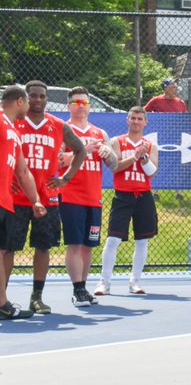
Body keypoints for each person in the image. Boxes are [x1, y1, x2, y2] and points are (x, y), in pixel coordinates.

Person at [4, 80, 85, 314]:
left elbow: (79, 150)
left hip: (47, 197)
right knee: (8, 248)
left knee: (43, 247)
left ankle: (36, 298)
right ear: (26, 99)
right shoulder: (13, 123)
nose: (38, 100)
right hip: (16, 198)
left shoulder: (58, 125)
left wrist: (65, 178)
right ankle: (3, 298)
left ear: (47, 99)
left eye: (42, 96)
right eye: (33, 96)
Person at [52, 86, 115, 307]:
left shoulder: (100, 133)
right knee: (75, 245)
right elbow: (57, 161)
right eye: (77, 102)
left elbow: (114, 165)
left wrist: (109, 153)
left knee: (88, 246)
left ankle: (83, 287)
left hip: (93, 197)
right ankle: (77, 289)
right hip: (70, 195)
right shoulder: (63, 129)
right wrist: (83, 150)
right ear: (69, 106)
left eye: (85, 102)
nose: (81, 106)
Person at [95, 106, 159, 296]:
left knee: (142, 241)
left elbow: (152, 172)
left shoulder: (150, 145)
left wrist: (144, 158)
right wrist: (134, 156)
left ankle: (135, 281)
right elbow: (115, 167)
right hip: (122, 195)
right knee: (113, 239)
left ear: (145, 122)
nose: (137, 122)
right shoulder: (117, 142)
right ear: (127, 120)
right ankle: (104, 282)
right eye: (133, 118)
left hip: (143, 196)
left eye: (140, 119)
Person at [0, 85, 47, 320]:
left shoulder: (13, 132)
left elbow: (24, 172)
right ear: (19, 101)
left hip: (6, 202)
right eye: (27, 102)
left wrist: (36, 200)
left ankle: (2, 305)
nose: (30, 106)